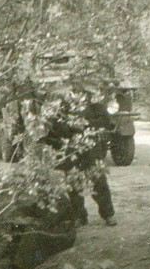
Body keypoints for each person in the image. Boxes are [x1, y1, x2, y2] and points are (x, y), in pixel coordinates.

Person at [40, 83, 117, 226]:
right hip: (71, 148)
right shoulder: (61, 105)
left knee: (98, 180)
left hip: (90, 147)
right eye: (73, 91)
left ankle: (108, 214)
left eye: (79, 92)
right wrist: (70, 129)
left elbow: (105, 120)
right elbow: (55, 125)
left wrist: (85, 125)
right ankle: (79, 216)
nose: (76, 94)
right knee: (73, 182)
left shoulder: (94, 103)